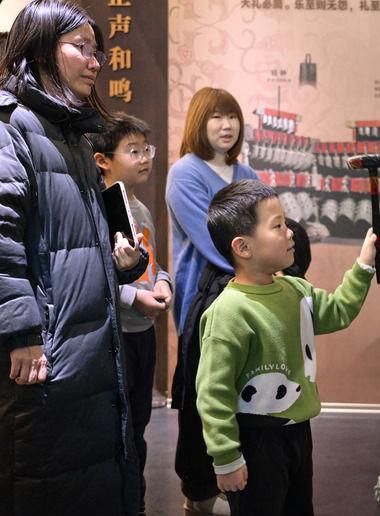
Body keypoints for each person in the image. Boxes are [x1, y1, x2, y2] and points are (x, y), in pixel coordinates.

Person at [0, 1, 148, 514]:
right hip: (46, 352)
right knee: (44, 480)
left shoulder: (72, 134)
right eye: (81, 48)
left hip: (86, 348)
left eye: (97, 50)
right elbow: (2, 238)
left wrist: (124, 264)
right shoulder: (11, 127)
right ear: (42, 50)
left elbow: (80, 243)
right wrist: (21, 333)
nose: (95, 61)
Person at [196, 180, 380, 515]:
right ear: (243, 247)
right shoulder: (228, 312)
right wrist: (226, 458)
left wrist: (364, 264)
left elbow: (338, 311)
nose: (290, 234)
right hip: (255, 440)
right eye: (278, 226)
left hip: (298, 432)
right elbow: (213, 392)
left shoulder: (296, 290)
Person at [165, 86, 258, 513]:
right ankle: (198, 496)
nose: (227, 125)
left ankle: (231, 483)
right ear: (198, 123)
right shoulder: (185, 173)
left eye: (232, 116)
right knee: (203, 402)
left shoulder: (247, 173)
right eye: (216, 117)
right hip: (203, 305)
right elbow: (213, 241)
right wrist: (261, 264)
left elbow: (267, 231)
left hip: (248, 301)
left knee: (241, 399)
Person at [89, 113, 173, 515]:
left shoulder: (138, 207)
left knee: (139, 424)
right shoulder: (100, 209)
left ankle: (135, 502)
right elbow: (95, 276)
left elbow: (152, 264)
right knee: (118, 429)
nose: (144, 158)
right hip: (118, 331)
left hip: (143, 331)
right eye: (133, 151)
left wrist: (163, 284)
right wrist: (133, 299)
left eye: (146, 150)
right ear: (103, 160)